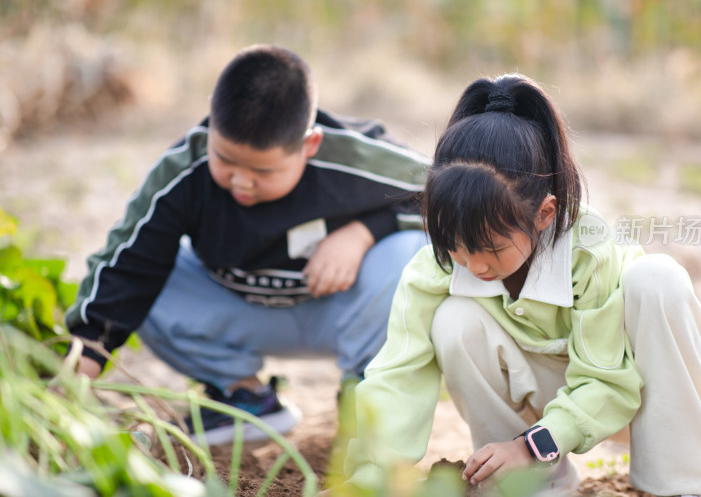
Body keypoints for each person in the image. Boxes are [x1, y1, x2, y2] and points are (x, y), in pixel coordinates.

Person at [334, 74, 701, 496]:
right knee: (454, 320)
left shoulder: (590, 253)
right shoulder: (439, 265)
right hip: (549, 407)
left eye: (490, 248)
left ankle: (681, 483)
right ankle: (524, 484)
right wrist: (370, 476)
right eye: (455, 246)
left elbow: (609, 382)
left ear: (544, 213)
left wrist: (535, 444)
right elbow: (398, 372)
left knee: (657, 278)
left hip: (641, 398)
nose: (474, 264)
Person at [65, 44, 429, 445]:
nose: (241, 181)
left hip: (341, 309)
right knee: (149, 280)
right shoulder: (184, 170)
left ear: (309, 145)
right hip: (244, 312)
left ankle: (367, 400)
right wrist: (77, 370)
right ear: (212, 126)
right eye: (225, 160)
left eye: (262, 170)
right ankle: (245, 398)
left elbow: (448, 197)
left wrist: (366, 232)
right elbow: (126, 265)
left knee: (409, 250)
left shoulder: (359, 159)